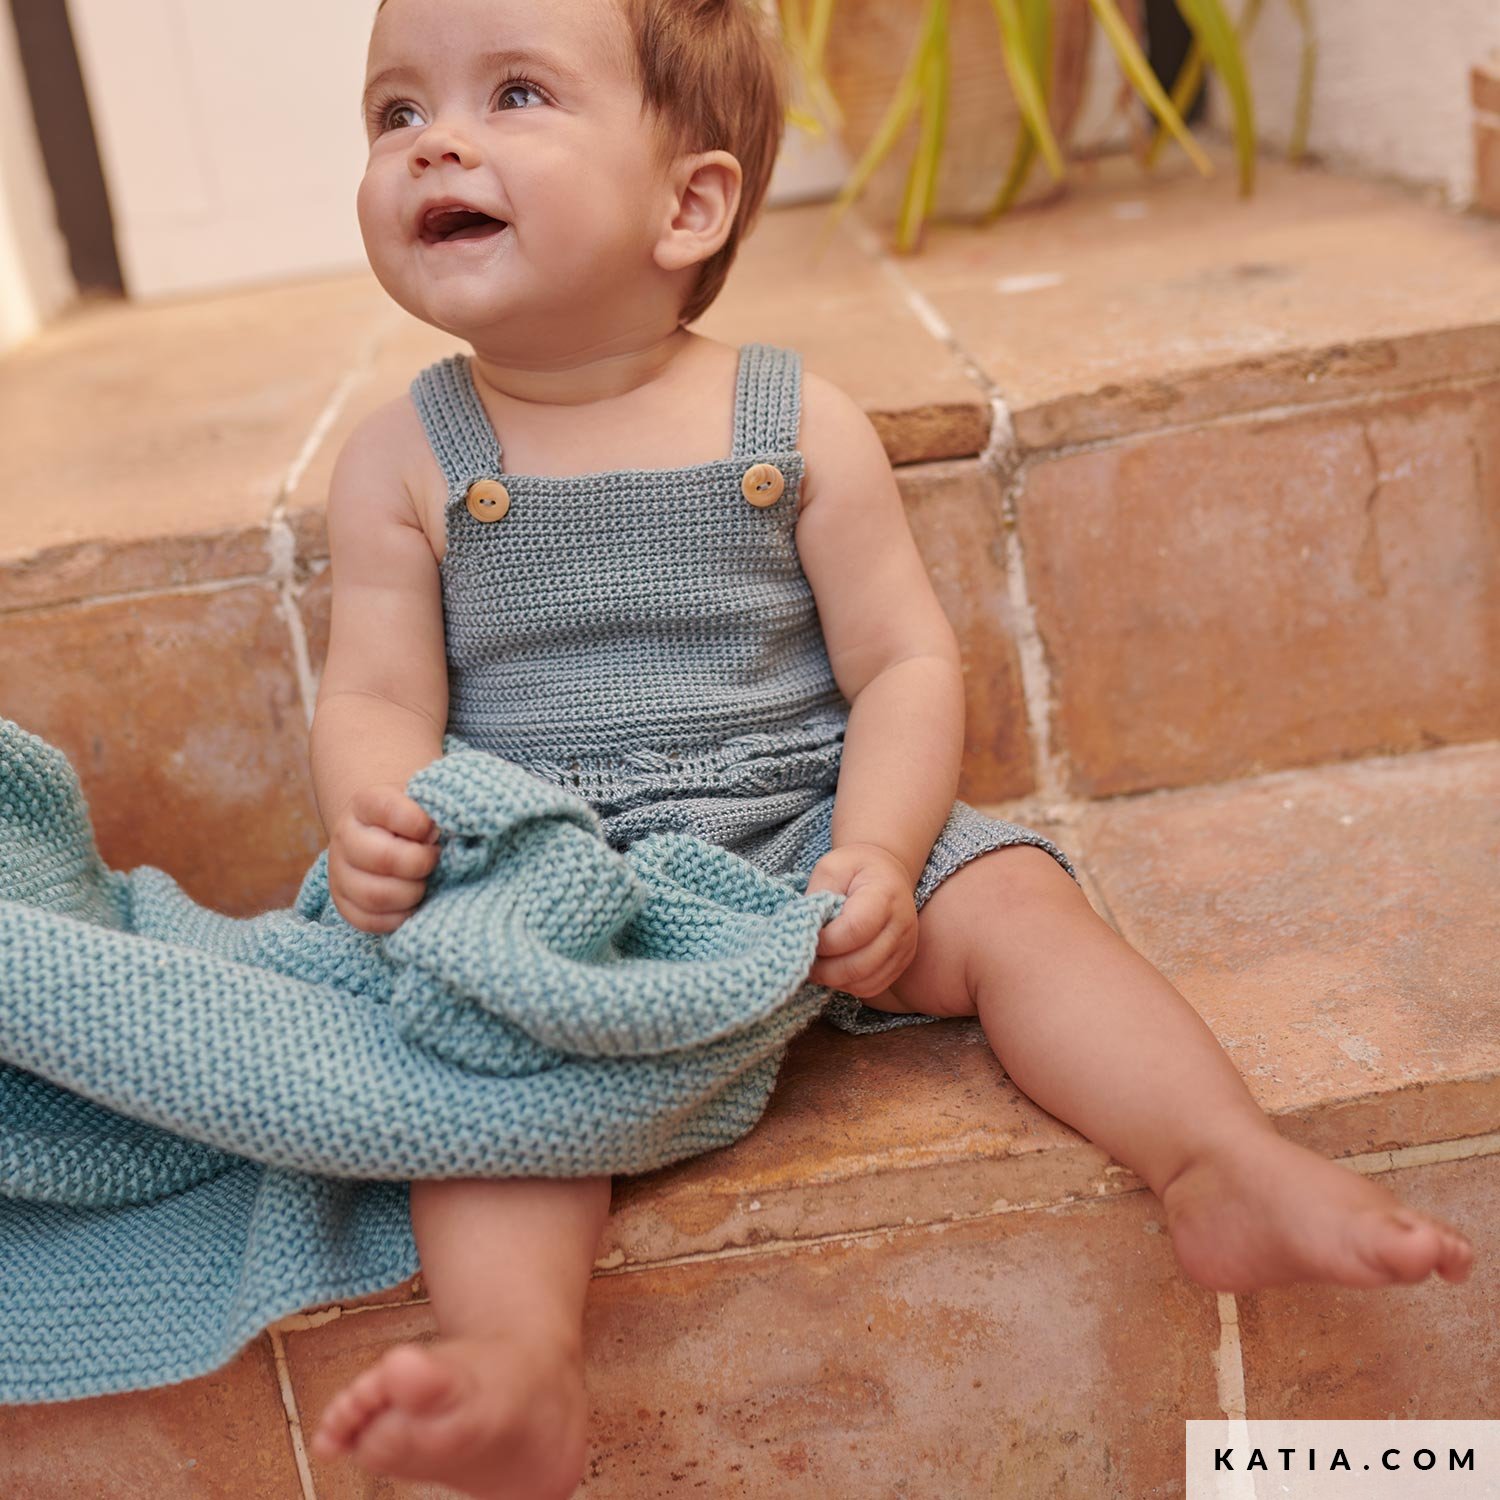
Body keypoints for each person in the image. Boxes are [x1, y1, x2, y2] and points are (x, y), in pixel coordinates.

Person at [305, 0, 1475, 1494]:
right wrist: (375, 803)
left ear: (689, 204)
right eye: (396, 113)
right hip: (558, 869)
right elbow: (376, 698)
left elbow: (904, 665)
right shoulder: (406, 455)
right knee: (490, 1064)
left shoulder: (793, 421)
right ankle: (517, 1357)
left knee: (1017, 903)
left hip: (802, 819)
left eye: (515, 94)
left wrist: (878, 844)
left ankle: (1216, 1159)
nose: (435, 144)